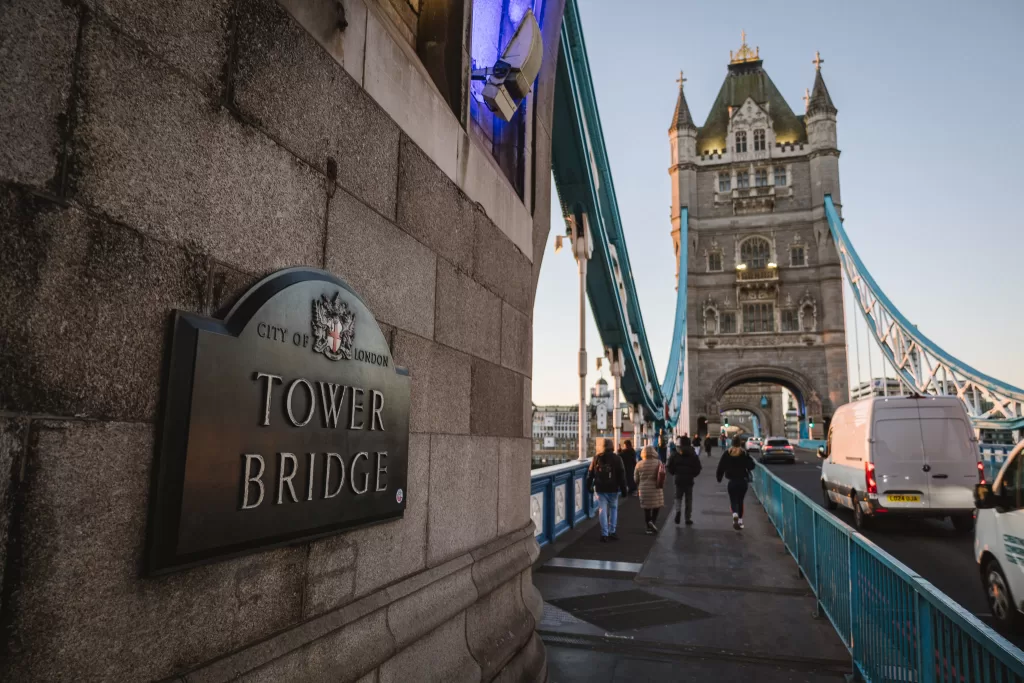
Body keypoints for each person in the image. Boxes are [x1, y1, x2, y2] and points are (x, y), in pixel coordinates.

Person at [587, 437, 627, 542]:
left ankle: (604, 534)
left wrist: (588, 486)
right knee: (613, 509)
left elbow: (590, 473)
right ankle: (612, 531)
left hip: (600, 488)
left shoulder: (596, 458)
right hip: (613, 488)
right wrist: (624, 489)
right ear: (612, 446)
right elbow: (621, 475)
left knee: (602, 510)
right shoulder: (617, 458)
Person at [716, 436, 756, 530]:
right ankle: (741, 521)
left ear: (731, 443)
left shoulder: (727, 453)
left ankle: (735, 515)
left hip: (732, 482)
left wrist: (719, 477)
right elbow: (751, 466)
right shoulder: (744, 453)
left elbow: (721, 466)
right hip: (742, 481)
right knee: (740, 501)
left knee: (733, 500)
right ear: (740, 443)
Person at [667, 436, 702, 525]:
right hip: (689, 480)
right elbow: (698, 467)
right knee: (688, 499)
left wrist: (674, 473)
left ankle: (678, 511)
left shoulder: (675, 453)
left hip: (678, 479)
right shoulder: (693, 453)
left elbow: (669, 465)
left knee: (678, 497)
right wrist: (693, 474)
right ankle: (687, 518)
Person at [635, 444, 665, 534]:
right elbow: (663, 475)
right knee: (656, 507)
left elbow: (636, 479)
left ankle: (648, 528)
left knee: (647, 509)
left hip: (644, 489)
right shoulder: (658, 462)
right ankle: (652, 522)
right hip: (656, 488)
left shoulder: (639, 464)